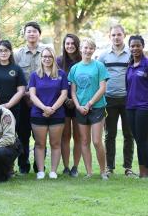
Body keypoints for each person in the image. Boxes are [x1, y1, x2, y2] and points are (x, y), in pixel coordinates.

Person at [68, 38, 110, 180]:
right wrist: (79, 106)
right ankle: (89, 172)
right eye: (85, 48)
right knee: (84, 141)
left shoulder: (99, 66)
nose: (87, 50)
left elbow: (102, 88)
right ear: (81, 49)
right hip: (80, 109)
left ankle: (103, 171)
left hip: (97, 107)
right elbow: (73, 91)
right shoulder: (75, 68)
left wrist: (89, 104)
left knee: (97, 141)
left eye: (91, 48)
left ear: (94, 50)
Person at [98, 25, 134, 176]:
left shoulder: (131, 54)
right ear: (109, 37)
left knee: (129, 134)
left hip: (128, 99)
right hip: (109, 99)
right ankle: (109, 167)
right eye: (113, 35)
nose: (116, 37)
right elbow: (98, 76)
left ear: (124, 35)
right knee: (110, 134)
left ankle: (128, 167)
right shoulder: (104, 55)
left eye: (119, 35)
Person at [29, 47, 68, 179]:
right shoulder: (35, 75)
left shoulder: (61, 74)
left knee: (55, 143)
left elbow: (64, 95)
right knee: (40, 143)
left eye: (49, 57)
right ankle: (40, 171)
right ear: (41, 58)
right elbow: (32, 95)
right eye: (44, 56)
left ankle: (53, 171)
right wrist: (44, 108)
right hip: (38, 113)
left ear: (54, 58)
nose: (46, 59)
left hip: (57, 114)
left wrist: (52, 109)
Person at [14, 21, 44, 174]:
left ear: (39, 34)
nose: (31, 34)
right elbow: (16, 77)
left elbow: (51, 74)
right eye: (29, 31)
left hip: (43, 101)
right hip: (23, 100)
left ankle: (40, 165)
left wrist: (36, 96)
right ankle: (23, 164)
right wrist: (26, 95)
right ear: (24, 34)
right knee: (23, 134)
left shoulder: (46, 51)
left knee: (40, 135)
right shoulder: (18, 54)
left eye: (34, 31)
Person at [57, 34, 82, 177]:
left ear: (77, 45)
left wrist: (75, 99)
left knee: (78, 137)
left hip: (79, 103)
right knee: (65, 136)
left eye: (73, 43)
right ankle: (66, 166)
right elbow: (56, 82)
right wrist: (66, 99)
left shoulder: (83, 60)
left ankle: (75, 167)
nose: (70, 46)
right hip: (63, 103)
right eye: (67, 43)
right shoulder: (59, 61)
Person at [126, 35, 148, 178]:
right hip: (130, 107)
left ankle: (144, 172)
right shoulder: (130, 66)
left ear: (143, 47)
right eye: (132, 46)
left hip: (144, 107)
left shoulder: (146, 64)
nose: (135, 48)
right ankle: (142, 171)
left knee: (143, 139)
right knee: (138, 139)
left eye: (137, 46)